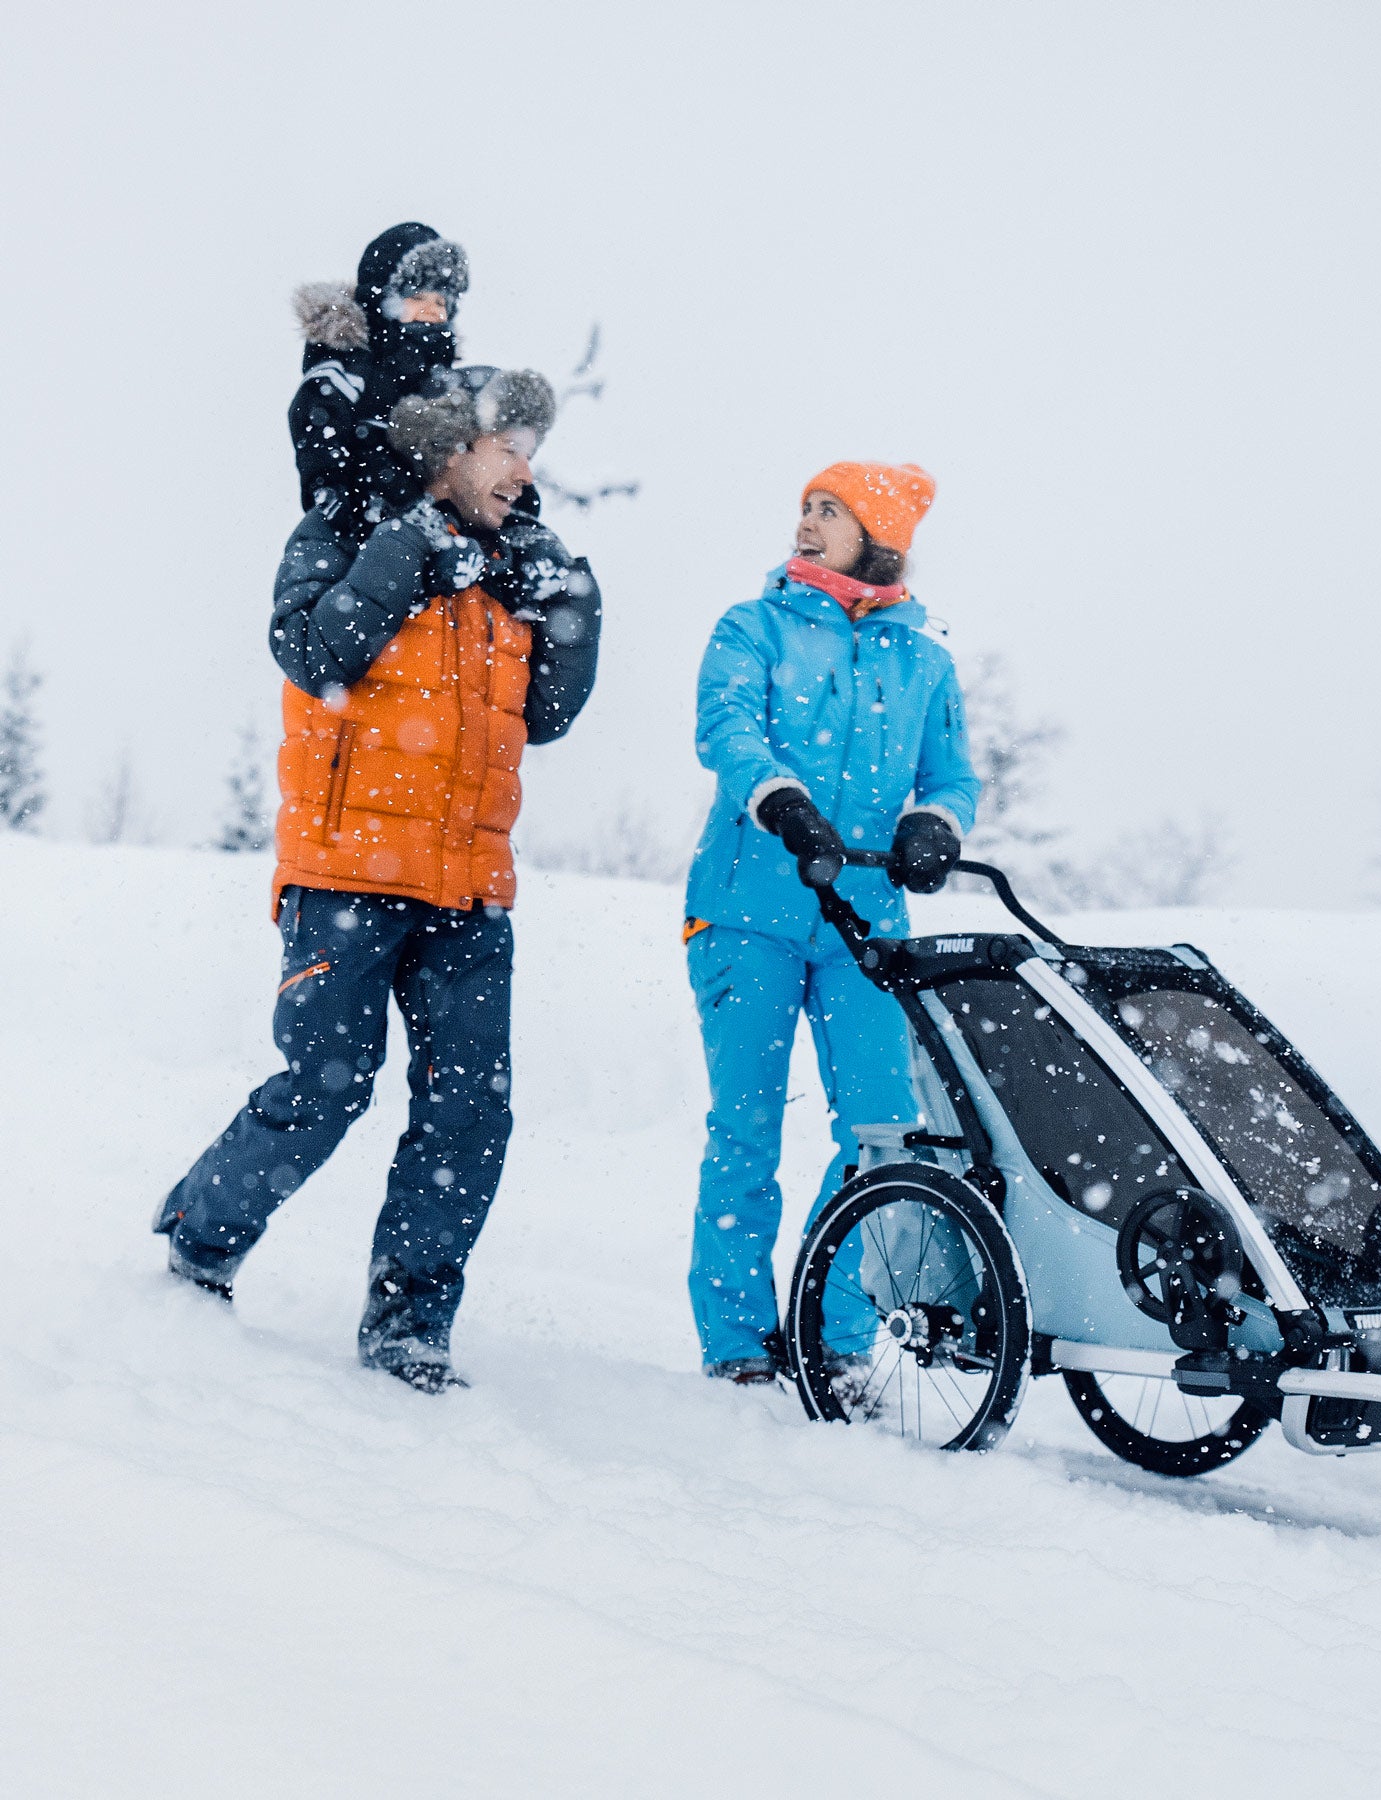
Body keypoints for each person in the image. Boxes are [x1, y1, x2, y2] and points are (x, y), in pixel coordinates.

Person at [153, 368, 603, 1392]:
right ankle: (201, 1240)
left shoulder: (510, 563)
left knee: (470, 1113)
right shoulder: (350, 526)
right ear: (454, 448)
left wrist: (576, 603)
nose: (528, 470)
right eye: (511, 447)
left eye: (535, 450)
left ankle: (410, 1323)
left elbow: (547, 715)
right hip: (347, 873)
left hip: (470, 888)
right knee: (324, 1087)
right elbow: (310, 648)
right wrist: (408, 557)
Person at [683, 462, 981, 1382]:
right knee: (747, 1128)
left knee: (879, 1131)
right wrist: (781, 801)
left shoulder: (925, 661)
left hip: (863, 923)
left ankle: (830, 1324)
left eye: (830, 511)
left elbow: (955, 776)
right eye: (806, 507)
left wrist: (936, 824)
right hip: (746, 912)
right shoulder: (755, 626)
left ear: (876, 533)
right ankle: (737, 1343)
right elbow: (726, 727)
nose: (806, 523)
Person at [289, 222, 470, 543]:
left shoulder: (442, 379)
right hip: (367, 511)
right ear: (383, 299)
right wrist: (329, 485)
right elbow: (318, 415)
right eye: (417, 297)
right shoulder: (352, 360)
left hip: (436, 517)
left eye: (441, 302)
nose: (431, 310)